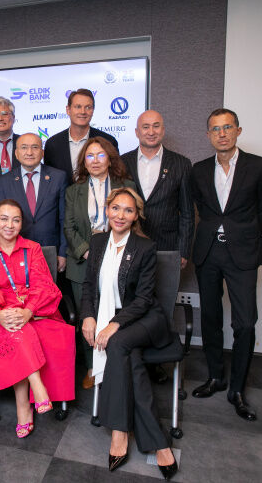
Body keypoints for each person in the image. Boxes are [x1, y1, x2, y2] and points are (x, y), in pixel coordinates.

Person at [80, 187, 177, 480]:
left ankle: (119, 433)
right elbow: (89, 286)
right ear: (107, 210)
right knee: (128, 356)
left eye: (128, 210)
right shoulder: (98, 242)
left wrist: (113, 324)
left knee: (118, 342)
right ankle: (157, 441)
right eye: (116, 208)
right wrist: (88, 316)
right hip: (115, 321)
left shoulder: (145, 247)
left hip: (145, 318)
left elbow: (144, 299)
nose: (120, 215)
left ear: (136, 216)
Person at [190, 108, 262, 421]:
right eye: (215, 129)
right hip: (208, 252)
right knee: (211, 317)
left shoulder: (260, 166)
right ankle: (216, 376)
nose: (222, 133)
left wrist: (243, 234)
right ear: (208, 135)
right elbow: (201, 208)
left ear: (238, 130)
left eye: (227, 127)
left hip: (242, 252)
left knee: (245, 323)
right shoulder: (199, 169)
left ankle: (237, 389)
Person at [0, 199, 75, 438]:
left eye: (16, 220)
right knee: (16, 330)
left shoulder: (33, 248)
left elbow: (43, 284)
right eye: (4, 219)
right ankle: (37, 389)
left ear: (22, 224)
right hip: (4, 313)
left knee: (21, 330)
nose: (9, 225)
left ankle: (24, 409)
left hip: (37, 309)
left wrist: (28, 311)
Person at [121, 110, 194, 385]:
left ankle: (156, 364)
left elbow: (187, 213)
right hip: (130, 246)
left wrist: (183, 250)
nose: (150, 131)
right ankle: (135, 360)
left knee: (161, 307)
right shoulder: (123, 162)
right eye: (145, 127)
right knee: (131, 304)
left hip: (166, 248)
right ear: (136, 132)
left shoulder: (181, 164)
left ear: (163, 130)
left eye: (156, 126)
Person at [64, 136, 135, 389]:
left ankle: (115, 365)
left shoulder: (126, 186)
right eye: (90, 156)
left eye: (101, 155)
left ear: (110, 159)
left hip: (119, 259)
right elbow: (69, 228)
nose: (95, 160)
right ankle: (92, 366)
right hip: (83, 263)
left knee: (117, 313)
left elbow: (134, 220)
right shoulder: (74, 191)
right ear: (84, 161)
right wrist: (88, 253)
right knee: (88, 315)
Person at [0, 133, 67, 272]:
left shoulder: (58, 177)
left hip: (50, 251)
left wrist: (63, 252)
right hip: (15, 251)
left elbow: (64, 218)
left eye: (35, 147)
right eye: (24, 147)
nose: (29, 152)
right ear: (16, 153)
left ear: (42, 152)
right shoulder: (4, 181)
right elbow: (1, 222)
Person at [44, 88, 119, 183]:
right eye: (78, 107)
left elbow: (116, 177)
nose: (83, 112)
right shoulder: (53, 144)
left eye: (88, 107)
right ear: (68, 110)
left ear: (93, 111)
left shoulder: (108, 141)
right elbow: (49, 181)